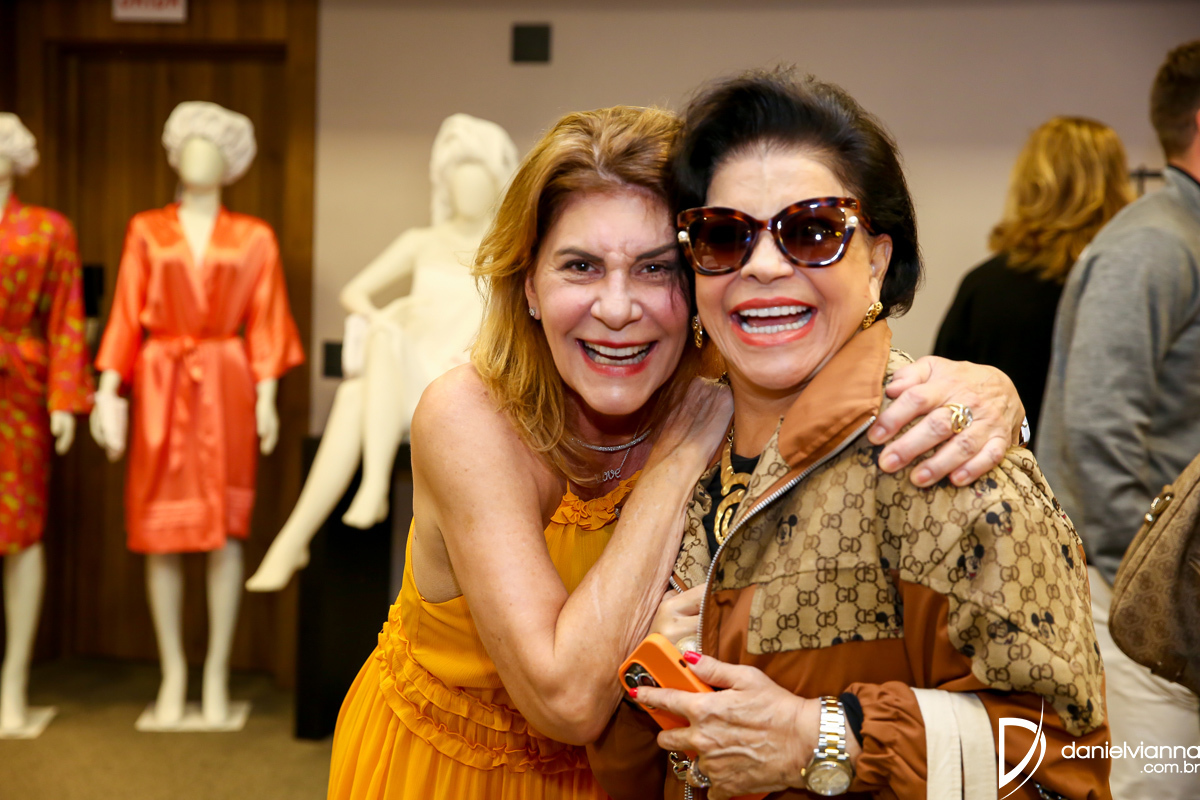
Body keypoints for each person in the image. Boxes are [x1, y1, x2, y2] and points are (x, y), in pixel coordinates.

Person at [327, 105, 1028, 800]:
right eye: (580, 266)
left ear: (697, 278)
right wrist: (681, 453)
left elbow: (848, 364)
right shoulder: (471, 415)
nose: (617, 308)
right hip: (453, 772)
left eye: (656, 268)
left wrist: (992, 390)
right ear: (530, 284)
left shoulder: (734, 381)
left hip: (649, 772)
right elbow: (565, 700)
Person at [590, 70, 1109, 800]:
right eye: (725, 236)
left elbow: (1064, 766)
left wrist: (824, 739)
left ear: (877, 263)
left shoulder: (941, 457)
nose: (762, 266)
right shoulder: (678, 454)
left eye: (812, 232)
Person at [1038, 40, 1200, 800]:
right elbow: (1098, 428)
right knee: (1160, 787)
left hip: (1174, 586)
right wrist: (1147, 589)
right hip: (1140, 596)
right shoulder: (1153, 244)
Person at [934, 116, 1132, 442]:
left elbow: (942, 398)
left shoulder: (984, 287)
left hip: (999, 466)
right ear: (1117, 184)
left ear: (1032, 182)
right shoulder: (1130, 288)